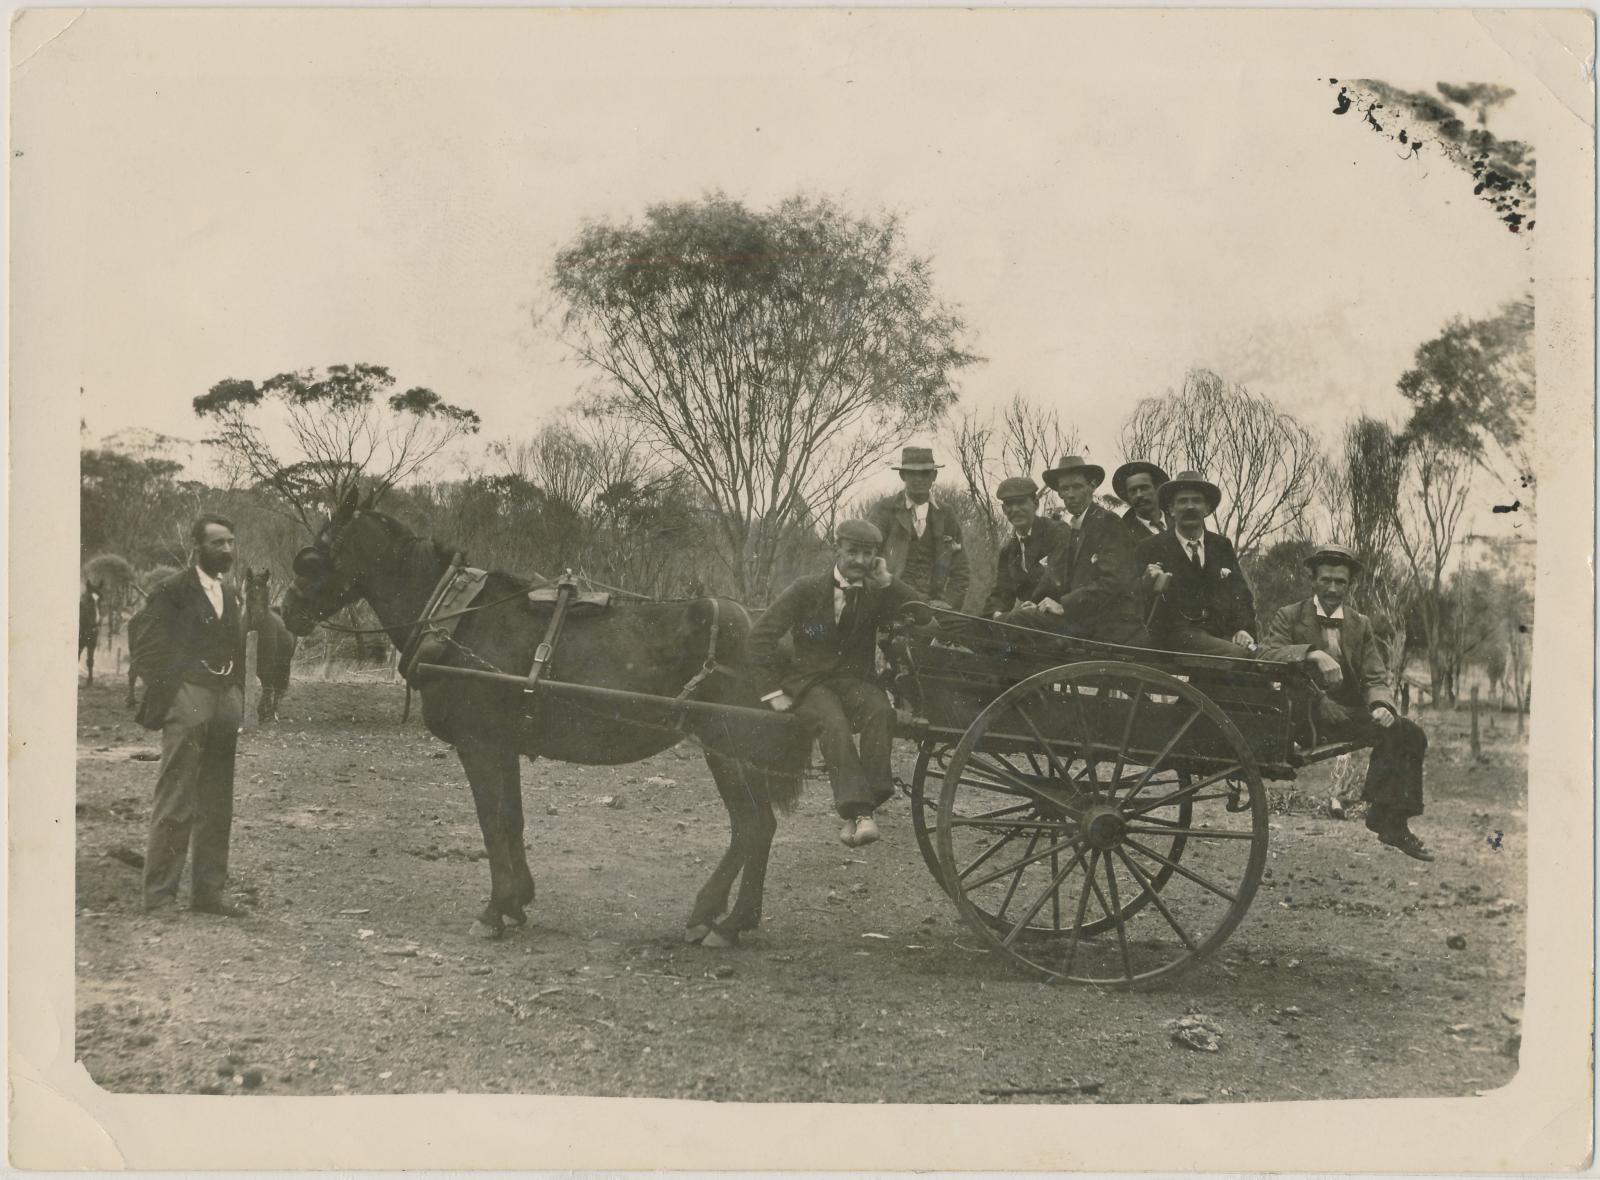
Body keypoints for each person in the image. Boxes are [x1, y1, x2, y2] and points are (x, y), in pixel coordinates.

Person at [748, 520, 922, 848]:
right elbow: (759, 638)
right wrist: (772, 693)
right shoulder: (806, 588)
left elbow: (922, 615)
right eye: (852, 551)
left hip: (854, 681)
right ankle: (861, 813)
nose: (858, 560)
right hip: (808, 684)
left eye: (867, 553)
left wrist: (889, 581)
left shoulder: (876, 592)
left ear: (876, 557)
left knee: (881, 712)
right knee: (834, 724)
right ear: (837, 549)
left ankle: (859, 811)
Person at [1256, 544, 1433, 861]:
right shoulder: (1290, 616)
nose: (1333, 588)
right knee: (1396, 729)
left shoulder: (1359, 623)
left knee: (1409, 733)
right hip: (1302, 717)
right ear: (1313, 581)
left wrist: (1381, 705)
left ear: (1350, 585)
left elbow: (1375, 675)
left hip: (1346, 716)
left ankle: (1390, 820)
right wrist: (1312, 653)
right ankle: (1387, 817)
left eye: (1341, 582)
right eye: (1326, 580)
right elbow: (1266, 655)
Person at [130, 513, 249, 916]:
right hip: (188, 698)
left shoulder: (229, 592)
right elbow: (144, 644)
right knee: (177, 796)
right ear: (198, 547)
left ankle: (208, 894)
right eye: (218, 543)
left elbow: (237, 647)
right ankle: (160, 895)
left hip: (224, 701)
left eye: (231, 541)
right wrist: (175, 693)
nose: (227, 549)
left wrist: (237, 694)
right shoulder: (171, 590)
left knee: (218, 801)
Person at [1008, 455, 1146, 644]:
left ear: (1092, 486)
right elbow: (1068, 583)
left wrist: (1064, 605)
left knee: (1016, 623)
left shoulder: (1107, 522)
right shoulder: (1075, 528)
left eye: (1077, 487)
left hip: (1112, 624)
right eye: (1064, 489)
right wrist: (1041, 604)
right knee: (1012, 620)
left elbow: (1113, 582)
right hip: (1085, 621)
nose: (1070, 494)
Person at [1134, 470, 1257, 656]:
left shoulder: (1221, 545)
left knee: (1262, 657)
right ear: (1171, 509)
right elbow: (1130, 599)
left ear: (1207, 508)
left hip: (1218, 635)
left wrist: (1242, 629)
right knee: (1238, 657)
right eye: (1182, 501)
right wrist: (1146, 583)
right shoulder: (1151, 547)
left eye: (1196, 501)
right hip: (1172, 638)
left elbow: (1241, 596)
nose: (1190, 507)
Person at [865, 446, 970, 612]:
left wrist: (948, 603)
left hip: (934, 605)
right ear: (902, 475)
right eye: (912, 473)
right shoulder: (884, 509)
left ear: (934, 476)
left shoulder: (946, 514)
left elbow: (961, 569)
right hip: (889, 601)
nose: (918, 479)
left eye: (925, 473)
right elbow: (867, 553)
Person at [981, 476, 1069, 617]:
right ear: (1004, 509)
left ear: (1035, 504)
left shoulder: (1057, 532)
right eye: (1009, 504)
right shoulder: (1008, 551)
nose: (1015, 509)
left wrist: (1026, 610)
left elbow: (1055, 580)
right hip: (1027, 620)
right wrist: (995, 615)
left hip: (1059, 618)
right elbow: (1001, 593)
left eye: (1021, 502)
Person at [1112, 460, 1170, 542]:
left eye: (1144, 488)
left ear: (1157, 489)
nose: (1139, 495)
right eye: (1132, 491)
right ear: (1127, 496)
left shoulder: (1179, 520)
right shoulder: (1122, 535)